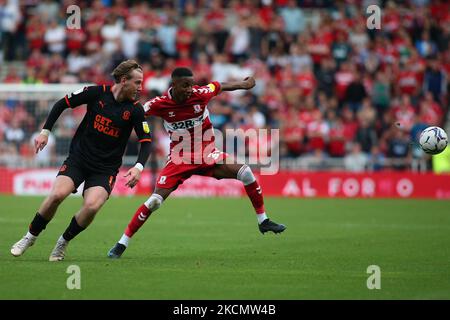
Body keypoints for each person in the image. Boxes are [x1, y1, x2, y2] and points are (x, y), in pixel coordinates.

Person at [108, 67, 286, 259]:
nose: (190, 89)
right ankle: (121, 243)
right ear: (174, 84)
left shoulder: (200, 94)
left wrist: (244, 84)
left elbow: (220, 86)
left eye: (192, 85)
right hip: (179, 158)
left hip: (207, 153)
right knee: (154, 202)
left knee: (246, 173)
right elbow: (135, 113)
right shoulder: (160, 104)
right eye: (185, 85)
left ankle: (263, 220)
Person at [10, 60, 152, 261]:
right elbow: (62, 104)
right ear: (123, 80)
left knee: (92, 206)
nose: (140, 88)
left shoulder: (136, 110)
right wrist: (45, 131)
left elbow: (146, 141)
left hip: (105, 169)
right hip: (79, 159)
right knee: (57, 195)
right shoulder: (96, 93)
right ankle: (29, 237)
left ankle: (63, 242)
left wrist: (138, 167)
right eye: (137, 82)